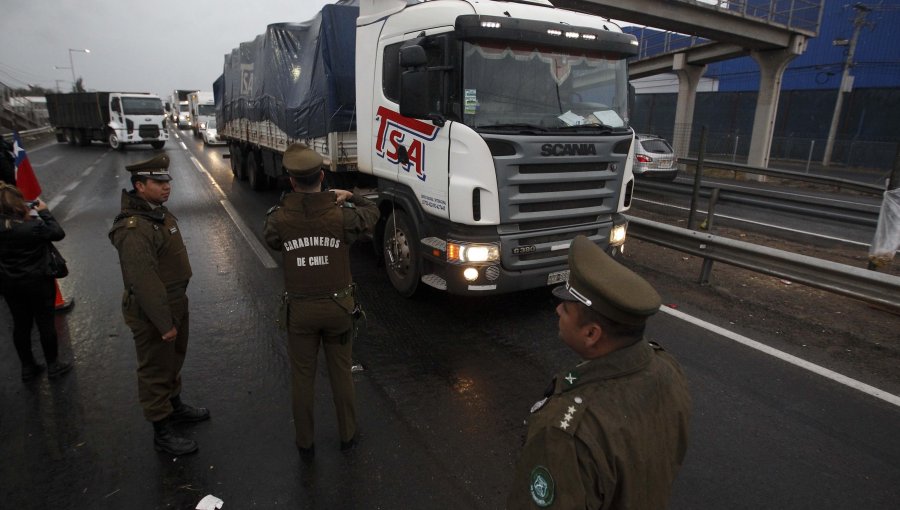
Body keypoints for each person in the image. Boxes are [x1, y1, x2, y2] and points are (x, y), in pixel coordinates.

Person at [507, 235, 692, 509]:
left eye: (567, 308)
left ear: (592, 334)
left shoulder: (564, 433)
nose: (557, 309)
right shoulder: (667, 367)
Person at [263, 143, 379, 459]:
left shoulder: (279, 219)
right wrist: (349, 195)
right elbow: (373, 213)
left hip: (300, 311)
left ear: (291, 181)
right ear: (322, 176)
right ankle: (348, 436)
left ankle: (305, 443)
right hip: (338, 309)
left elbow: (272, 240)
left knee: (302, 377)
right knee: (341, 373)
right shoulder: (342, 216)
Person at [108, 154, 209, 456]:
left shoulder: (157, 213)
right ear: (139, 186)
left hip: (174, 302)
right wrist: (164, 323)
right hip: (155, 311)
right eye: (159, 182)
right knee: (155, 369)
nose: (167, 187)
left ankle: (174, 405)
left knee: (172, 360)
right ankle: (162, 431)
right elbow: (143, 281)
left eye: (167, 181)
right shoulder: (134, 228)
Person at [0, 183, 72, 381]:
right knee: (45, 323)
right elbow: (58, 233)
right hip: (39, 281)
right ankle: (53, 366)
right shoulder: (33, 227)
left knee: (21, 325)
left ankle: (27, 367)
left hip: (10, 284)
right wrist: (45, 212)